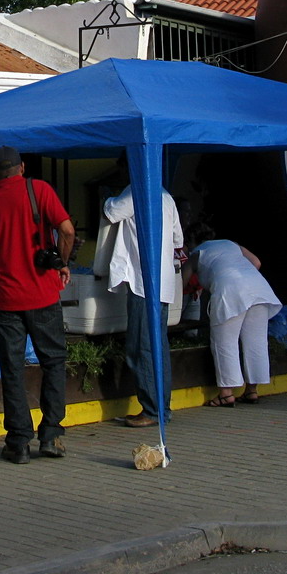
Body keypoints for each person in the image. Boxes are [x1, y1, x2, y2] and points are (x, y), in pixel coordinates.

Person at [0, 145, 74, 463]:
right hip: (43, 295)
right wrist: (62, 262)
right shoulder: (39, 189)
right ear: (21, 167)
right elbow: (67, 230)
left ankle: (18, 442)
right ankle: (51, 435)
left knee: (13, 369)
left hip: (6, 299)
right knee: (53, 362)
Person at [102, 172, 183, 428]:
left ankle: (152, 410)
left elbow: (111, 211)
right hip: (163, 282)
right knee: (158, 347)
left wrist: (107, 198)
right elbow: (178, 238)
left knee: (141, 347)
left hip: (142, 281)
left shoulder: (136, 191)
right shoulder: (166, 197)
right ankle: (162, 406)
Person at [187, 225, 281, 406]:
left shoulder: (196, 253)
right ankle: (252, 391)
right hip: (258, 288)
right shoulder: (232, 244)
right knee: (256, 341)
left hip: (229, 290)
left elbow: (182, 281)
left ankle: (226, 394)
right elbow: (257, 262)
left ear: (192, 241)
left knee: (224, 342)